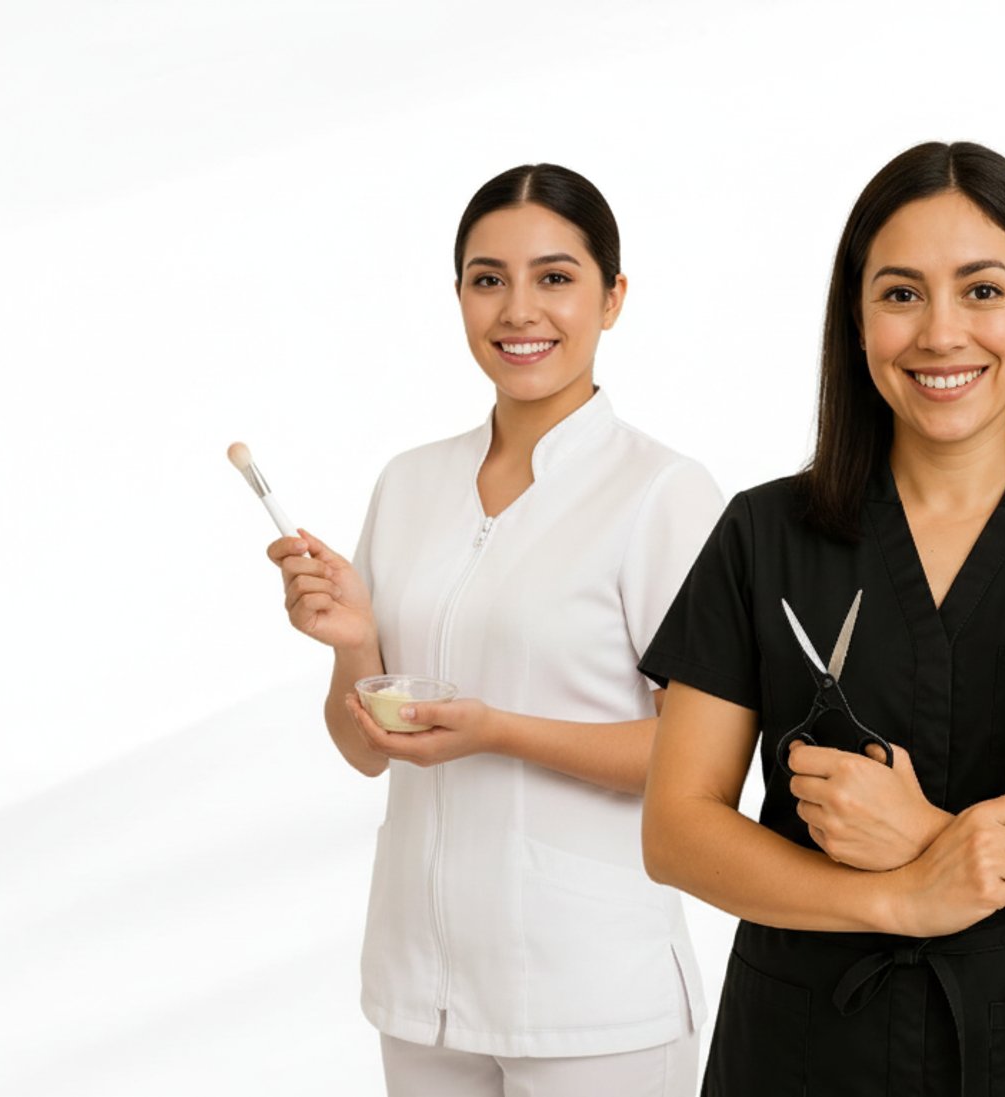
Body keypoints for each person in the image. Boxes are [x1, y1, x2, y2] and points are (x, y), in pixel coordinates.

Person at [637, 141, 1005, 1096]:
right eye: (902, 293)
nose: (942, 333)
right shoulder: (763, 533)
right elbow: (677, 828)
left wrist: (933, 838)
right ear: (857, 313)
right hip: (807, 1051)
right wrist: (895, 899)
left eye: (983, 291)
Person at [264, 163, 721, 1096]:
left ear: (613, 297)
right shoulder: (411, 483)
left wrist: (499, 731)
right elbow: (365, 751)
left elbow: (703, 756)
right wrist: (354, 643)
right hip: (422, 988)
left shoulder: (663, 494)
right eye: (488, 279)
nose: (519, 310)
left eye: (555, 278)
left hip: (591, 999)